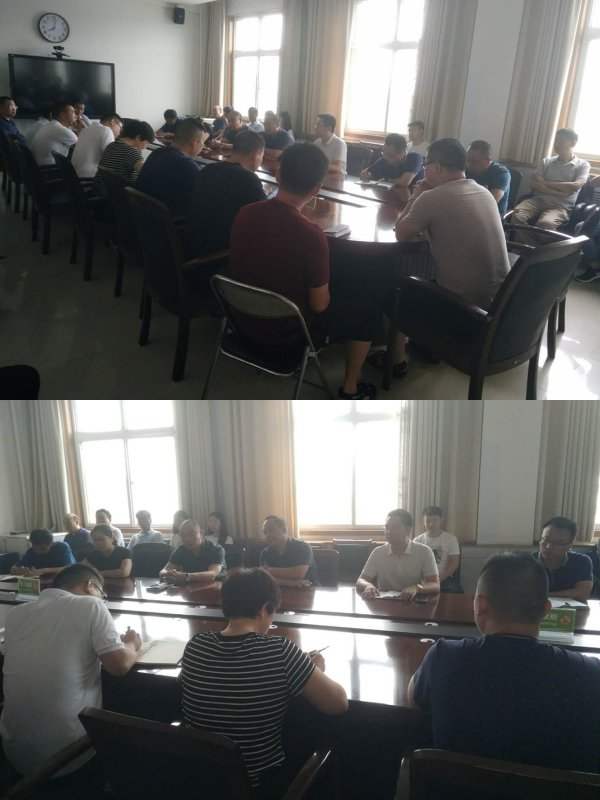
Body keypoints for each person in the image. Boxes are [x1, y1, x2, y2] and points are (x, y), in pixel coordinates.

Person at [406, 554, 600, 773]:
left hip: (455, 787)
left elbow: (415, 698)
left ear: (480, 604)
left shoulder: (444, 656)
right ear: (546, 610)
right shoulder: (589, 673)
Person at [228, 142, 377, 400]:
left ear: (278, 174)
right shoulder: (311, 235)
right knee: (366, 311)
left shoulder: (246, 212)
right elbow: (319, 306)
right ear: (317, 189)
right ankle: (350, 389)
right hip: (287, 338)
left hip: (239, 320)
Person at [180, 568, 348, 797]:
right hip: (258, 787)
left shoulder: (195, 646)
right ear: (263, 609)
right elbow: (338, 703)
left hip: (199, 782)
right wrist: (315, 670)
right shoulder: (280, 651)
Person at [0, 563, 141, 781]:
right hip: (69, 757)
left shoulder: (16, 613)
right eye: (102, 595)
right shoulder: (91, 605)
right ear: (90, 585)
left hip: (15, 754)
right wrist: (132, 643)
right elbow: (119, 665)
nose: (102, 600)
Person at [391, 138, 510, 374]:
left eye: (425, 164)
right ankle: (426, 344)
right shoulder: (484, 192)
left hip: (465, 309)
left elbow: (401, 233)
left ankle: (396, 362)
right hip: (498, 302)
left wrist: (416, 195)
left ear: (436, 167)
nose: (424, 169)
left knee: (396, 291)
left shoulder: (432, 198)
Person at [184, 129, 266, 259]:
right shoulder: (249, 180)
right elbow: (265, 221)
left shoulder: (207, 170)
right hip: (218, 257)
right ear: (257, 154)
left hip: (192, 245)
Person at [512, 128, 590, 243]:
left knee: (545, 224)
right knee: (516, 214)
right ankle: (532, 248)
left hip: (561, 206)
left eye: (561, 140)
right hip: (537, 200)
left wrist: (545, 182)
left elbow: (575, 185)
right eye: (555, 140)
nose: (556, 144)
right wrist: (560, 192)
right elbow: (533, 183)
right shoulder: (546, 161)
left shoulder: (582, 165)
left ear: (573, 143)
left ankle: (532, 248)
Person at [356, 509, 439, 600]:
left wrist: (416, 588)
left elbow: (435, 585)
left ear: (408, 530)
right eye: (387, 527)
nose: (389, 532)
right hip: (385, 602)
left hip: (412, 601)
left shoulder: (424, 551)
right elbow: (361, 580)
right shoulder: (378, 552)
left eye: (395, 527)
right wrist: (368, 586)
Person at [136, 117, 204, 216]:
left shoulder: (157, 153)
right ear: (195, 142)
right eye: (202, 142)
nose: (203, 145)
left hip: (142, 217)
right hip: (169, 223)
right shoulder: (188, 167)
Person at [531, 516, 593, 602]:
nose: (548, 547)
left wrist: (545, 595)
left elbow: (582, 594)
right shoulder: (527, 562)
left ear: (570, 545)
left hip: (571, 610)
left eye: (558, 543)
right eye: (545, 540)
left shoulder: (581, 561)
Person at [93, 118, 154, 196]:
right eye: (147, 143)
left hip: (99, 192)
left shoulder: (112, 145)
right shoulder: (132, 153)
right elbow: (148, 176)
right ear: (138, 138)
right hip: (116, 198)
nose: (145, 147)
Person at [159, 518, 224, 586]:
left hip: (215, 587)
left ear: (201, 533)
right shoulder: (180, 550)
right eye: (183, 535)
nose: (187, 539)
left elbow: (212, 574)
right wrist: (168, 575)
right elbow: (163, 571)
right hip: (190, 588)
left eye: (191, 534)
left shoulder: (216, 549)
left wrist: (186, 577)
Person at [413, 506, 462, 593]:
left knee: (454, 590)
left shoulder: (451, 539)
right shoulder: (417, 540)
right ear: (423, 522)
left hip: (444, 577)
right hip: (423, 579)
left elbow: (454, 563)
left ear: (441, 520)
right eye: (428, 521)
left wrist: (439, 579)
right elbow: (414, 563)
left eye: (435, 520)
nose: (431, 524)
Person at [359, 133, 424, 198]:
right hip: (390, 197)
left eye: (388, 154)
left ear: (401, 153)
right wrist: (367, 175)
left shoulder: (415, 158)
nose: (385, 157)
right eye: (383, 152)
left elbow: (404, 182)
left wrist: (386, 180)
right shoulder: (385, 158)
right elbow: (364, 173)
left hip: (413, 198)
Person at [260, 515, 318, 586]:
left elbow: (298, 573)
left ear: (284, 529)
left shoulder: (303, 547)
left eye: (271, 530)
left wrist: (269, 570)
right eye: (265, 533)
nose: (267, 536)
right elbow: (265, 579)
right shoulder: (265, 553)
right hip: (277, 590)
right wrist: (291, 583)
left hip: (308, 589)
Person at [70, 112, 123, 179]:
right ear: (113, 122)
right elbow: (112, 158)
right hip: (90, 179)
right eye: (120, 126)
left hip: (75, 177)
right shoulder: (106, 130)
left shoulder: (85, 130)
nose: (119, 133)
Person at [465, 140, 512, 215]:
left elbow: (490, 203)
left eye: (474, 161)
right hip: (468, 212)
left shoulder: (501, 173)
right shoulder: (464, 169)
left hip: (492, 215)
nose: (468, 164)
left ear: (487, 161)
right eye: (467, 159)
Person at [11, 528, 75, 577]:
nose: (39, 552)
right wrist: (18, 571)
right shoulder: (31, 552)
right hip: (42, 582)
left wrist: (44, 570)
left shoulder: (62, 547)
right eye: (36, 549)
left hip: (65, 580)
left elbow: (70, 569)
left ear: (51, 543)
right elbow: (13, 568)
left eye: (43, 549)